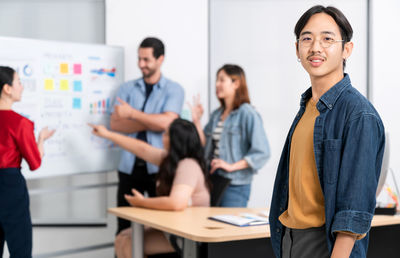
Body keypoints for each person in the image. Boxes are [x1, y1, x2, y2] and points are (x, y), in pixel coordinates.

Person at [269, 5, 385, 258]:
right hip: (289, 238)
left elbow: (353, 211)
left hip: (325, 244)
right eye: (307, 39)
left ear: (346, 49)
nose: (315, 47)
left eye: (327, 39)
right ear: (297, 49)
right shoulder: (307, 107)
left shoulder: (358, 114)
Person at [89, 118, 210, 257]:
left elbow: (176, 202)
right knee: (121, 238)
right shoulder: (170, 160)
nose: (162, 138)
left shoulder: (188, 165)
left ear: (175, 140)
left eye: (166, 135)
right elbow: (141, 148)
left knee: (129, 242)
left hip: (187, 233)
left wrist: (142, 202)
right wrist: (108, 135)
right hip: (173, 227)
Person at [110, 37, 184, 234]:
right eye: (139, 59)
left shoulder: (174, 89)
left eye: (146, 60)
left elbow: (167, 124)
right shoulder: (126, 89)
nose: (141, 64)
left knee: (160, 228)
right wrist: (154, 119)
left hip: (159, 170)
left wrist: (132, 114)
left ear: (160, 59)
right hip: (128, 168)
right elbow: (115, 124)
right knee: (124, 227)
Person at [191, 64, 270, 207]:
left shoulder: (247, 113)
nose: (217, 84)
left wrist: (231, 166)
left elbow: (262, 152)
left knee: (227, 228)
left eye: (221, 80)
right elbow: (204, 145)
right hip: (213, 180)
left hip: (235, 185)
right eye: (217, 80)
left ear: (236, 83)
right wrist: (197, 121)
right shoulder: (216, 114)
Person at [0, 66, 55, 257]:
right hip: (10, 185)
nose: (21, 87)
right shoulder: (20, 123)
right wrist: (41, 140)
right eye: (18, 82)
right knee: (20, 247)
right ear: (7, 88)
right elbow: (35, 162)